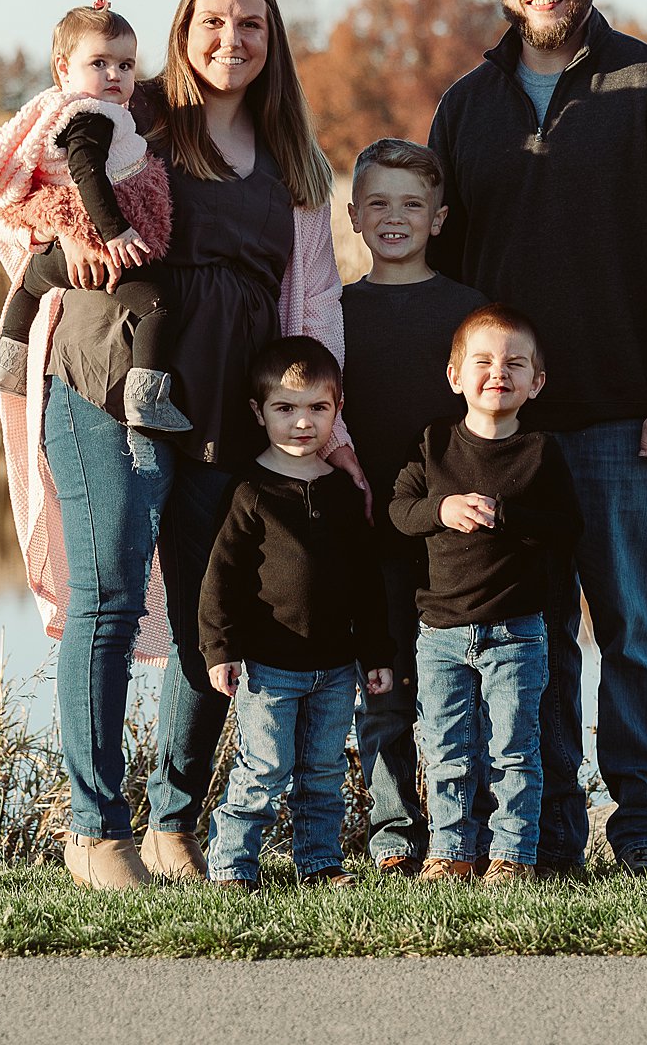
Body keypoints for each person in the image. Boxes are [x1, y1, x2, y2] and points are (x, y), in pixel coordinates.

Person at [0, 0, 359, 889]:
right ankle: (92, 827)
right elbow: (10, 185)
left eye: (253, 26)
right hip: (108, 375)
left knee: (213, 615)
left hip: (230, 398)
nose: (232, 41)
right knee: (108, 591)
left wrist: (324, 419)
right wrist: (60, 233)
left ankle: (172, 821)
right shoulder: (130, 113)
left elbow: (309, 300)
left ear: (274, 44)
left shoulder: (293, 164)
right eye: (213, 23)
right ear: (184, 32)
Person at [427, 0, 647, 878]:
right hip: (503, 428)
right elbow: (444, 261)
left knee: (632, 629)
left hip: (618, 419)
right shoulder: (468, 103)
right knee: (530, 636)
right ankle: (547, 838)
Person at [390, 305, 581, 883]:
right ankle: (452, 853)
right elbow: (399, 513)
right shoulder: (431, 444)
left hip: (517, 633)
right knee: (447, 751)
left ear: (535, 383)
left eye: (514, 364)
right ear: (455, 376)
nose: (498, 373)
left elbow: (569, 528)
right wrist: (441, 510)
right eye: (483, 362)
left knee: (514, 751)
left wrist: (508, 516)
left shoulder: (542, 453)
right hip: (441, 634)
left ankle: (512, 856)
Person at [200, 337, 395, 890]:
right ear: (258, 412)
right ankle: (232, 868)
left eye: (318, 408)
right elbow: (221, 580)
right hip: (268, 666)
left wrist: (376, 653)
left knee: (324, 772)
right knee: (263, 770)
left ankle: (319, 863)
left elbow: (366, 582)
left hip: (335, 667)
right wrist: (221, 650)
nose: (302, 423)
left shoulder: (342, 490)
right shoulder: (249, 490)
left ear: (337, 410)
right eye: (285, 409)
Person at [339, 138, 485, 875]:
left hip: (454, 540)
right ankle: (394, 830)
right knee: (384, 686)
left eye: (411, 204)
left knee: (461, 687)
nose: (394, 217)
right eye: (379, 203)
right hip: (371, 539)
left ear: (438, 218)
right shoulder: (335, 312)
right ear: (355, 216)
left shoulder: (467, 312)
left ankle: (469, 830)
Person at [0, 0, 187, 431]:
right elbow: (89, 174)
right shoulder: (91, 116)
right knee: (160, 304)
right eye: (99, 63)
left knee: (29, 286)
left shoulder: (74, 111)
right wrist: (116, 232)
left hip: (57, 254)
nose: (114, 75)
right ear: (63, 69)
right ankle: (146, 394)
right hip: (93, 242)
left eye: (125, 65)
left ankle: (10, 363)